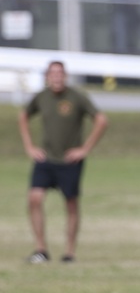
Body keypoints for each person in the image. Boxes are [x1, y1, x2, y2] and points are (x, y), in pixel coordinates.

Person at [19, 60, 108, 263]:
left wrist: (84, 149)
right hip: (46, 158)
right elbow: (23, 116)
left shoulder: (77, 97)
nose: (57, 77)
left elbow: (102, 120)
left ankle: (69, 252)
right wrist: (30, 146)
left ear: (65, 76)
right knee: (34, 198)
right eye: (53, 74)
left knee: (71, 204)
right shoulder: (41, 97)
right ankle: (41, 249)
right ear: (47, 77)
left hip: (69, 160)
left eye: (60, 73)